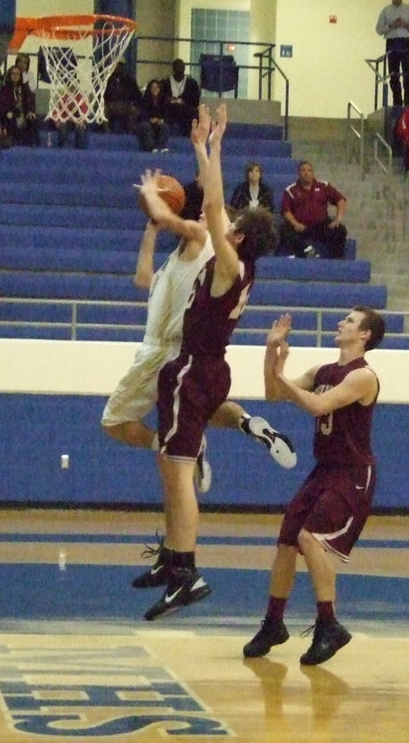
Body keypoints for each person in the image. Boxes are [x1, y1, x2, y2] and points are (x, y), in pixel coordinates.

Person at [137, 103, 278, 622]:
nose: (224, 221)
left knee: (178, 473)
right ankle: (173, 558)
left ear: (238, 236)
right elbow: (214, 205)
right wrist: (201, 149)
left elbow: (215, 202)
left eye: (232, 224)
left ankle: (186, 573)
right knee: (169, 463)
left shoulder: (230, 262)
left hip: (195, 368)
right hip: (208, 368)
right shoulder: (245, 269)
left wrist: (212, 146)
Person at [103, 180, 295, 499]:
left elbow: (182, 217)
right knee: (207, 410)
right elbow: (143, 279)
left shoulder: (202, 237)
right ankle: (247, 423)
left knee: (113, 422)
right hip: (189, 354)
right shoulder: (204, 261)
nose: (202, 216)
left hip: (162, 350)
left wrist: (153, 196)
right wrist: (152, 229)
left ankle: (180, 446)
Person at [241, 307, 385, 666]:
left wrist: (282, 374)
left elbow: (319, 405)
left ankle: (329, 624)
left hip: (352, 474)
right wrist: (272, 352)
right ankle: (273, 622)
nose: (341, 323)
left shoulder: (364, 376)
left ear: (365, 335)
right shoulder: (324, 370)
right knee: (287, 540)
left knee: (310, 538)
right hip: (323, 470)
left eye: (350, 321)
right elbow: (273, 394)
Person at [279, 161, 348, 259]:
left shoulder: (323, 186)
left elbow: (340, 200)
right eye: (303, 170)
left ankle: (337, 261)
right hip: (301, 227)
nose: (306, 173)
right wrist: (295, 224)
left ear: (313, 173)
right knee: (284, 230)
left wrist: (338, 217)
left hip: (321, 226)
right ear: (298, 173)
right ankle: (307, 251)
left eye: (309, 170)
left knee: (340, 230)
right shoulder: (290, 190)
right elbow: (286, 211)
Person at [375, 0, 409, 107]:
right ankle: (397, 102)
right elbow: (378, 30)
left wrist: (406, 24)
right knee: (393, 74)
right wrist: (391, 25)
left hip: (406, 42)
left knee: (407, 73)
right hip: (392, 42)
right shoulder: (386, 11)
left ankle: (408, 102)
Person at [0, 64, 40, 147]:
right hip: (10, 113)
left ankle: (34, 145)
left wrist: (31, 111)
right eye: (13, 73)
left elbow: (30, 101)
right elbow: (1, 104)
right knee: (10, 118)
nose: (16, 76)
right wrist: (7, 112)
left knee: (32, 119)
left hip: (23, 113)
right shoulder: (4, 89)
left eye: (18, 74)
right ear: (9, 75)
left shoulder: (25, 88)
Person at [163, 58, 201, 136]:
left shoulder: (191, 83)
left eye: (181, 68)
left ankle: (189, 134)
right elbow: (162, 97)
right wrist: (169, 99)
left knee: (193, 113)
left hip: (186, 108)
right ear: (173, 69)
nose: (179, 70)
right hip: (170, 108)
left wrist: (183, 100)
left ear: (184, 69)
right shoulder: (165, 82)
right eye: (177, 68)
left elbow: (196, 100)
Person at [103, 60, 141, 133]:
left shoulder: (130, 80)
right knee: (103, 110)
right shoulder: (108, 80)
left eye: (120, 66)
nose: (118, 68)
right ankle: (107, 133)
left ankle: (130, 132)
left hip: (125, 105)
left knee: (133, 110)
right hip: (111, 105)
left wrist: (133, 104)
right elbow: (104, 95)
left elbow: (137, 95)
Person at [136, 79, 170, 153]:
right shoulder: (144, 100)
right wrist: (150, 119)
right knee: (145, 126)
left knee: (165, 127)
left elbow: (166, 114)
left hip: (159, 122)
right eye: (153, 88)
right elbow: (142, 114)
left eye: (157, 88)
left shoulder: (164, 100)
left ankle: (161, 146)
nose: (155, 90)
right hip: (147, 121)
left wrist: (161, 120)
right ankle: (151, 147)